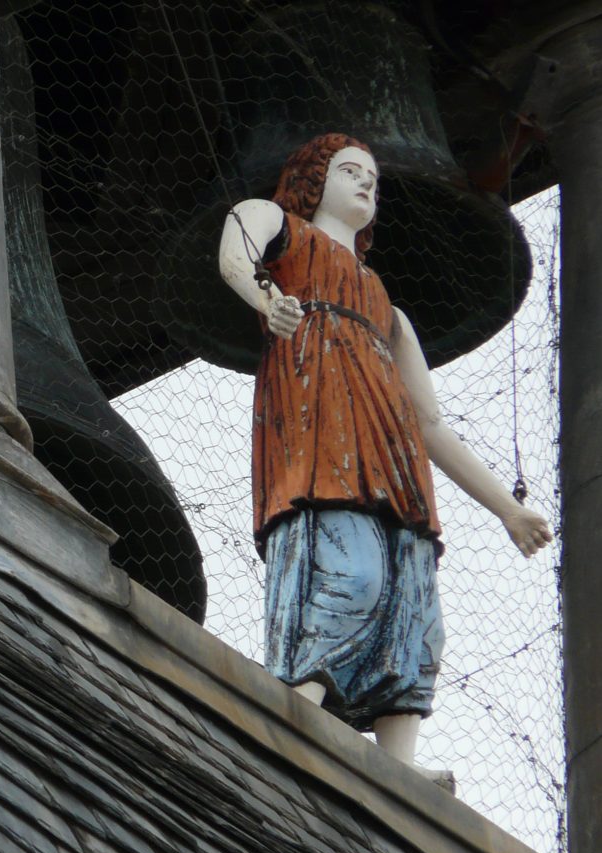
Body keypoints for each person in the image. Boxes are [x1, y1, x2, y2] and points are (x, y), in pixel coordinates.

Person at [217, 134, 552, 780]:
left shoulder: (389, 314)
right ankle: (297, 707)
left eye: (373, 177)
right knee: (350, 576)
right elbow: (236, 246)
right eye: (349, 172)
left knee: (413, 611)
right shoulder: (281, 231)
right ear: (314, 181)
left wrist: (508, 510)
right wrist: (266, 300)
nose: (367, 184)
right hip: (320, 442)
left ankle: (398, 767)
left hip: (394, 462)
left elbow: (430, 424)